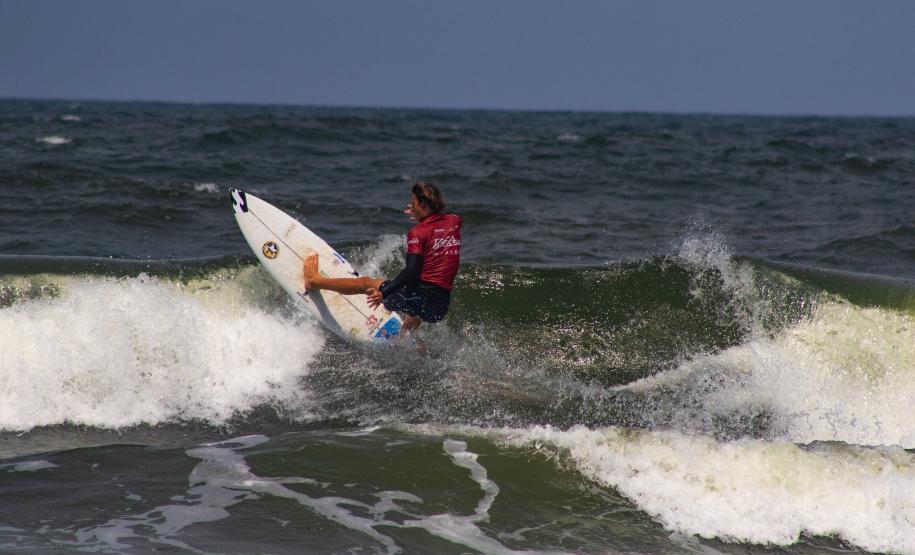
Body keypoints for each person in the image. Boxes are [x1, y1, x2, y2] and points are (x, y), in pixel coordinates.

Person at [302, 181, 462, 331]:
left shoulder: (418, 232)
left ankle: (315, 281)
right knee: (416, 294)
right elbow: (441, 222)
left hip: (421, 298)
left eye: (413, 203)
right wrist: (425, 216)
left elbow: (411, 270)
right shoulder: (454, 221)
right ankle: (402, 338)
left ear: (423, 204)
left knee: (366, 283)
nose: (411, 207)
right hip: (440, 306)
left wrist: (385, 293)